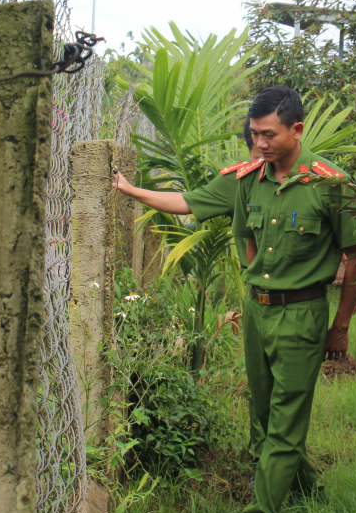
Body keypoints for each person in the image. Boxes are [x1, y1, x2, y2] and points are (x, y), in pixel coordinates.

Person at [230, 86, 356, 513]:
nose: (260, 144)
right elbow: (246, 240)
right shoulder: (252, 179)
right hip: (258, 311)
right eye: (254, 135)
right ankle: (307, 489)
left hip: (303, 314)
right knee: (264, 419)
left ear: (297, 130)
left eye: (269, 135)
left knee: (286, 423)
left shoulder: (332, 184)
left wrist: (342, 325)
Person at [113, 117, 267, 459]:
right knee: (261, 387)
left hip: (304, 299)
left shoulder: (312, 178)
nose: (266, 153)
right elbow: (186, 201)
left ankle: (287, 475)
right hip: (260, 299)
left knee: (291, 393)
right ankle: (264, 462)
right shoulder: (241, 181)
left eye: (271, 139)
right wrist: (131, 189)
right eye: (258, 144)